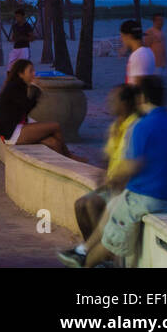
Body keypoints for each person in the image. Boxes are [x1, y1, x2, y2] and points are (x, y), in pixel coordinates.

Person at [60, 76, 167, 268]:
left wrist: (113, 179)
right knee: (112, 207)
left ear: (142, 97)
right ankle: (82, 251)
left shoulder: (143, 126)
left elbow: (132, 165)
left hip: (148, 198)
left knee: (109, 242)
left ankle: (85, 263)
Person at [64, 84, 140, 256]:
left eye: (114, 100)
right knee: (80, 204)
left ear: (126, 102)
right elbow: (107, 158)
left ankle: (104, 253)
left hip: (127, 187)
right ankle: (93, 250)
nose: (110, 103)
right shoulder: (116, 126)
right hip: (112, 185)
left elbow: (135, 163)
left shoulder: (135, 127)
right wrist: (102, 180)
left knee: (92, 204)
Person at [0, 59, 72, 156]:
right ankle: (70, 156)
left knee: (53, 142)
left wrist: (34, 89)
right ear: (21, 74)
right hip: (12, 132)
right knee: (55, 126)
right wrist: (36, 88)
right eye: (30, 71)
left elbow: (25, 108)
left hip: (14, 129)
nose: (34, 73)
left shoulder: (18, 85)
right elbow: (27, 107)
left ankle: (65, 165)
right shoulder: (14, 88)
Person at [121, 20, 155, 85]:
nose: (121, 39)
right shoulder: (147, 51)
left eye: (122, 36)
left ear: (128, 36)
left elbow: (141, 87)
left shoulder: (139, 55)